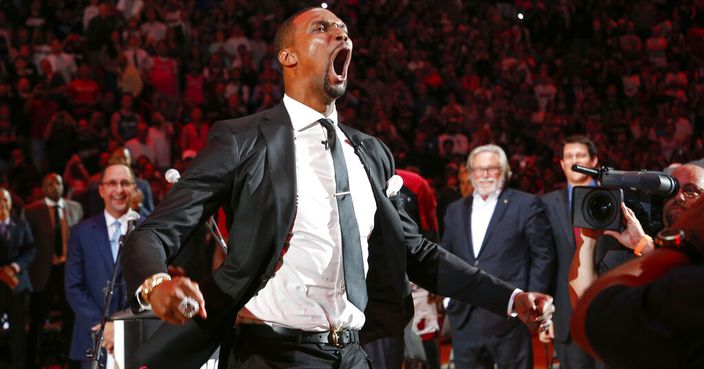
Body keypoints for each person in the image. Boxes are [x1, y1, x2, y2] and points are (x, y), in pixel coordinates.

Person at [121, 7, 554, 369]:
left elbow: (416, 252)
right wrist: (156, 284)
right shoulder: (243, 139)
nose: (339, 33)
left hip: (350, 354)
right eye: (322, 28)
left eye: (343, 29)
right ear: (287, 56)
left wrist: (512, 298)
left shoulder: (370, 152)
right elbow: (154, 231)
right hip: (270, 353)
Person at [441, 144, 555, 369]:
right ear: (470, 173)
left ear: (504, 172)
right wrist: (448, 300)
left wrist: (531, 303)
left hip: (509, 317)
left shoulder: (526, 204)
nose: (484, 174)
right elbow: (446, 257)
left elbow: (543, 256)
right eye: (478, 169)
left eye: (491, 169)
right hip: (464, 318)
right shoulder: (454, 210)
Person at [571, 194, 704, 369]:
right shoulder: (623, 252)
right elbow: (582, 298)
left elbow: (591, 316)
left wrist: (667, 244)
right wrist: (588, 240)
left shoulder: (690, 282)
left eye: (692, 191)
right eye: (671, 192)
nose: (679, 196)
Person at [540, 135, 615, 369]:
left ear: (593, 161)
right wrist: (546, 316)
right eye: (568, 156)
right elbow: (543, 263)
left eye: (580, 155)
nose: (574, 161)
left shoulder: (615, 199)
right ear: (561, 164)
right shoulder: (545, 204)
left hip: (611, 311)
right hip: (566, 316)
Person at [65, 164, 135, 368]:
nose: (119, 190)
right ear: (101, 190)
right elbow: (73, 287)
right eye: (112, 183)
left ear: (133, 188)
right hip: (92, 338)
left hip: (136, 337)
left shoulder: (147, 230)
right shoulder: (81, 232)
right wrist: (103, 327)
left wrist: (122, 326)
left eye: (125, 183)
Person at [23, 173, 84, 369]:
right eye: (50, 183)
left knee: (72, 319)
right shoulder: (32, 211)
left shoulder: (75, 208)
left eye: (57, 182)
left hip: (69, 270)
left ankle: (72, 361)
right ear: (43, 187)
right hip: (43, 271)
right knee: (37, 321)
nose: (54, 186)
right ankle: (32, 362)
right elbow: (27, 244)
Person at [0, 187, 36, 369]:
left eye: (5, 200)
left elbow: (30, 250)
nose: (2, 204)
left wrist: (14, 267)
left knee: (18, 333)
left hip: (17, 285)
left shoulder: (21, 224)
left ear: (11, 202)